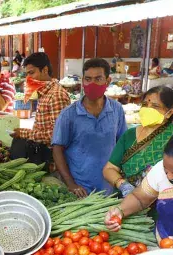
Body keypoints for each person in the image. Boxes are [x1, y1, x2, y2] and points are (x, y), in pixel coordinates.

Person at [52, 58, 127, 197]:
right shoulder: (69, 114)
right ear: (83, 81)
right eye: (88, 79)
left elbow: (123, 143)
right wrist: (71, 184)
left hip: (108, 186)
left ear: (108, 81)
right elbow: (57, 149)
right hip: (80, 189)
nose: (92, 84)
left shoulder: (116, 109)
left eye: (98, 79)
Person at [103, 86, 173, 197]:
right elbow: (109, 169)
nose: (148, 109)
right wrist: (123, 185)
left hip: (158, 204)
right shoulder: (129, 135)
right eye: (144, 104)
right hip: (125, 201)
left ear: (169, 113)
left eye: (155, 106)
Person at [9, 52, 71, 168]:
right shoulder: (44, 93)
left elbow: (56, 135)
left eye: (32, 73)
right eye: (27, 74)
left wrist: (23, 133)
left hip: (51, 161)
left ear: (45, 70)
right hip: (42, 155)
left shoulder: (56, 95)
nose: (29, 78)